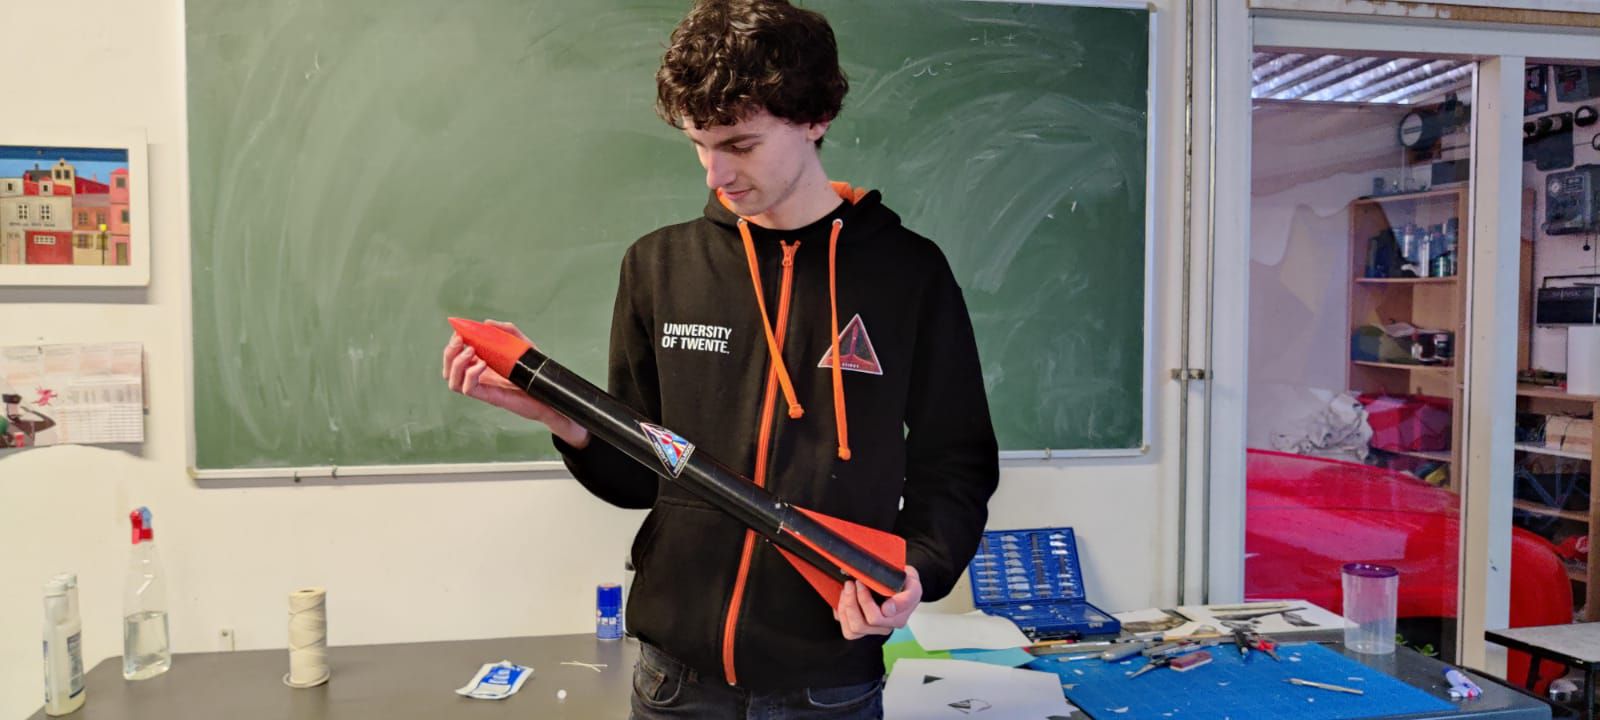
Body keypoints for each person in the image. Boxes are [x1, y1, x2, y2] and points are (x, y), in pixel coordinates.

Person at [443, 1, 998, 716]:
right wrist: (562, 418)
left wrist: (917, 569)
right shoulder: (660, 266)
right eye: (697, 143)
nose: (714, 174)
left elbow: (955, 464)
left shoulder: (909, 276)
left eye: (739, 144)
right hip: (675, 684)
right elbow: (644, 475)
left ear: (814, 117)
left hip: (827, 686)